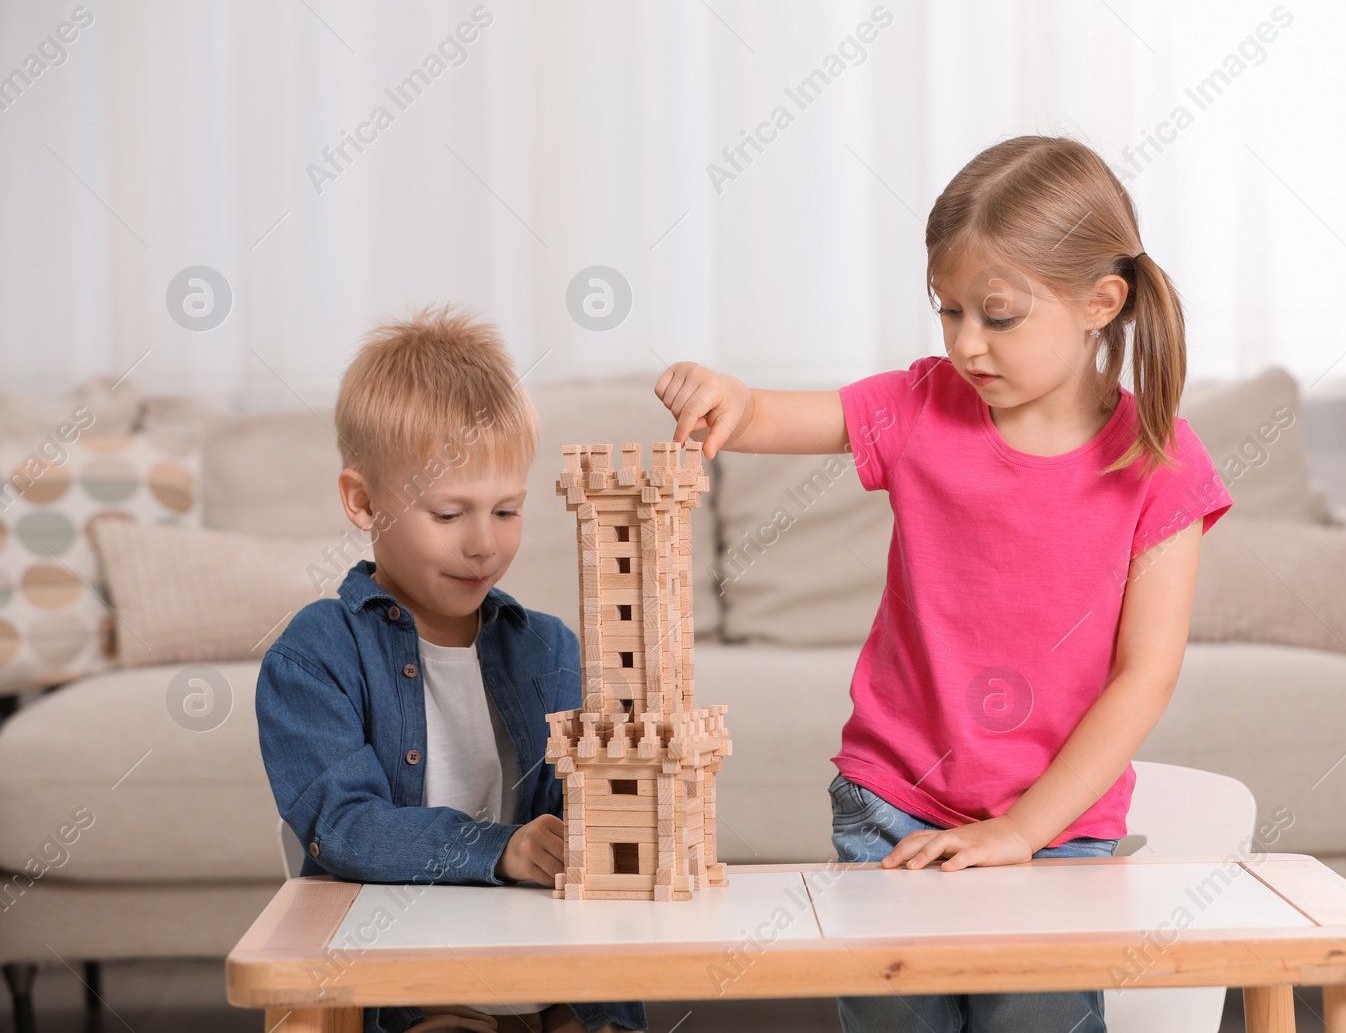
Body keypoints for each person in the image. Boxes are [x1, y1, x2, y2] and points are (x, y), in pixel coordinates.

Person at [653, 135, 1233, 1033]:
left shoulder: (1159, 463)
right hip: (893, 804)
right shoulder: (920, 405)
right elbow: (776, 415)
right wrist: (729, 393)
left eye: (998, 316)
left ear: (1100, 303)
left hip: (1060, 833)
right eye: (948, 310)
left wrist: (1022, 831)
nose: (966, 343)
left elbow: (1143, 676)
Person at [256, 306, 648, 1033]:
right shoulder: (314, 655)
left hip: (547, 960)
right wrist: (499, 848)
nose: (483, 545)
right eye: (448, 514)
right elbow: (342, 826)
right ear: (362, 500)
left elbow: (587, 809)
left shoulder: (551, 647)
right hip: (411, 970)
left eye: (507, 510)